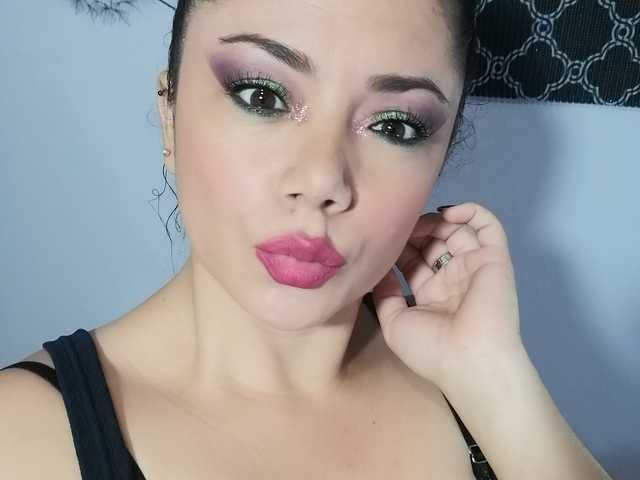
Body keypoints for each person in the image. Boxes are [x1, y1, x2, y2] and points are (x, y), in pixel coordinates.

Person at [0, 0, 613, 478]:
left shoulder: (467, 385)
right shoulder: (22, 437)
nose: (322, 180)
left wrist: (496, 380)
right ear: (169, 113)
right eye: (262, 95)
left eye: (395, 126)